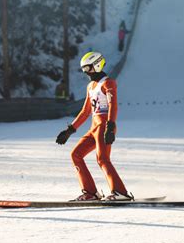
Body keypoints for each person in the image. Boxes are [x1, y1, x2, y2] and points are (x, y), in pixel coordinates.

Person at [56, 51, 133, 201]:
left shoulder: (108, 83)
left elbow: (113, 106)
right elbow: (85, 111)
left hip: (104, 126)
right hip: (94, 128)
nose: (86, 73)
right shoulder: (91, 86)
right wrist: (70, 130)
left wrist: (110, 126)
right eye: (84, 69)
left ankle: (120, 193)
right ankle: (91, 193)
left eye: (88, 68)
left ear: (97, 65)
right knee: (76, 155)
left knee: (102, 159)